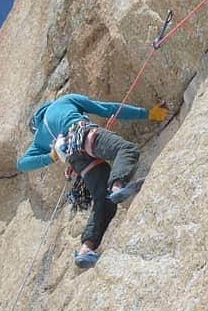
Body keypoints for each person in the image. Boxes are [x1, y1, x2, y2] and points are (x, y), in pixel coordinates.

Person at [17, 93, 167, 268]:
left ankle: (86, 249)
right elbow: (107, 109)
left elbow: (21, 164)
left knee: (102, 200)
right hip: (84, 134)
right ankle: (117, 187)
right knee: (126, 150)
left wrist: (50, 156)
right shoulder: (65, 101)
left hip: (76, 159)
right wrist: (148, 114)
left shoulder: (39, 139)